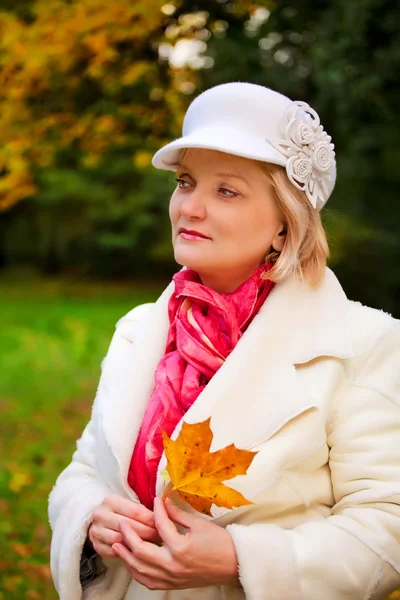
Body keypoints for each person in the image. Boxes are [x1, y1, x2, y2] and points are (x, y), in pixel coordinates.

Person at [48, 82, 400, 600]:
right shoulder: (139, 330)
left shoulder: (366, 343)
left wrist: (241, 560)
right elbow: (83, 471)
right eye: (186, 182)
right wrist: (89, 519)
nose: (189, 207)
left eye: (226, 190)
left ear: (286, 222)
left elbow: (387, 527)